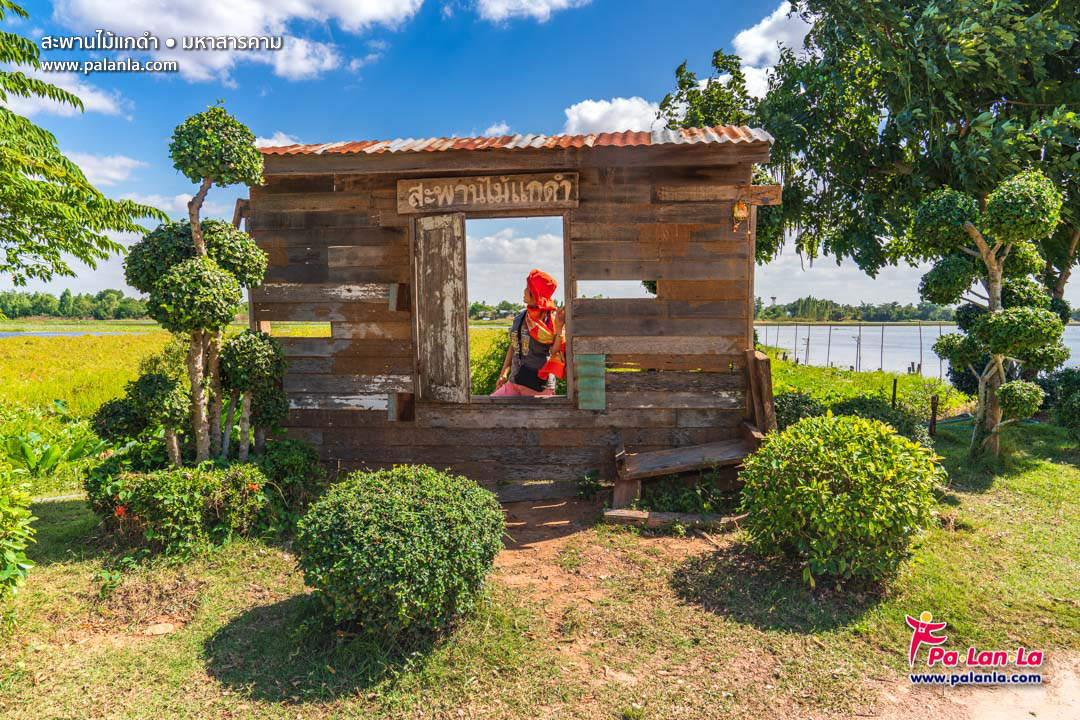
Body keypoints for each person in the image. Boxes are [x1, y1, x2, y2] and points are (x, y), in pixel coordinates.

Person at [492, 269, 566, 397]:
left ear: (534, 293)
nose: (524, 291)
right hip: (515, 382)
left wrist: (559, 329)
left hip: (538, 386)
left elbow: (555, 352)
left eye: (527, 288)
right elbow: (514, 345)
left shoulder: (551, 320)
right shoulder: (520, 317)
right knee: (490, 408)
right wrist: (503, 374)